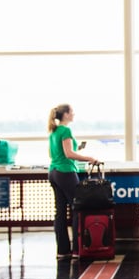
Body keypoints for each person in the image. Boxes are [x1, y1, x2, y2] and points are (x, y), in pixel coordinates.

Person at [48, 104, 99, 259]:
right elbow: (69, 154)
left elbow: (53, 154)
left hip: (54, 172)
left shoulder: (54, 131)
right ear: (66, 115)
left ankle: (63, 250)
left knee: (60, 212)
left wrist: (78, 153)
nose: (74, 114)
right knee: (78, 209)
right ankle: (77, 249)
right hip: (66, 172)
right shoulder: (66, 130)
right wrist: (89, 158)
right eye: (72, 112)